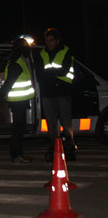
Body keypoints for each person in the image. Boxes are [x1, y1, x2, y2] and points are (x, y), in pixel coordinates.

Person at [34, 28, 76, 161]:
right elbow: (39, 73)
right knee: (51, 124)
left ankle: (70, 147)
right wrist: (53, 75)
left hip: (62, 92)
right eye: (47, 40)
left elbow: (65, 70)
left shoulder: (66, 51)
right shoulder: (42, 54)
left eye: (51, 40)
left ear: (57, 41)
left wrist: (50, 75)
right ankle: (54, 148)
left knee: (65, 122)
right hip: (48, 93)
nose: (49, 43)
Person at [1, 37, 35, 163]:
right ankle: (16, 155)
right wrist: (3, 94)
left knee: (20, 129)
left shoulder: (21, 60)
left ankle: (19, 153)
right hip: (17, 101)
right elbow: (9, 81)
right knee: (18, 129)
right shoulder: (17, 61)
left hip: (21, 100)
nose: (27, 48)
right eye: (25, 46)